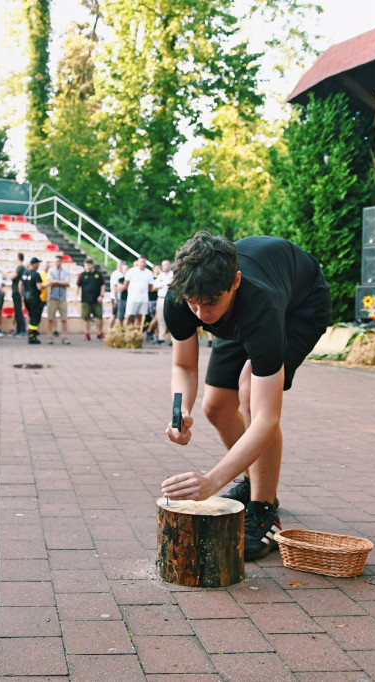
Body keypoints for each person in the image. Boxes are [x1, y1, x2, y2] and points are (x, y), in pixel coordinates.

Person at [160, 232, 332, 561]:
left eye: (210, 303)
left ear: (235, 282)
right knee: (215, 407)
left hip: (300, 305)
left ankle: (264, 508)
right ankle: (252, 478)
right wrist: (179, 407)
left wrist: (212, 481)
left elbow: (268, 418)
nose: (200, 314)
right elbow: (184, 365)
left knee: (250, 392)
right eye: (194, 303)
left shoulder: (261, 305)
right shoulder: (184, 297)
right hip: (240, 315)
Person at [76, 257, 106, 340]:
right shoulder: (82, 275)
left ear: (93, 265)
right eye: (86, 265)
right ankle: (87, 333)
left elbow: (103, 285)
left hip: (97, 300)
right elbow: (77, 286)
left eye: (89, 265)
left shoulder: (98, 274)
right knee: (86, 318)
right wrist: (75, 297)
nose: (88, 267)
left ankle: (100, 333)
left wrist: (101, 295)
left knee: (99, 317)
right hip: (85, 300)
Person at [45, 255, 70, 344]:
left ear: (61, 262)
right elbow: (50, 282)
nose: (56, 263)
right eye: (55, 261)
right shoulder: (51, 271)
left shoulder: (66, 271)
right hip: (52, 298)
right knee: (50, 318)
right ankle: (50, 337)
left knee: (64, 319)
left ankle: (64, 337)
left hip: (62, 298)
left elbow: (67, 283)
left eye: (58, 261)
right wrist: (61, 282)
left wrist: (56, 282)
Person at [123, 257, 154, 329]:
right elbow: (126, 284)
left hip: (144, 299)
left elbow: (150, 287)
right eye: (141, 262)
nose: (142, 264)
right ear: (138, 262)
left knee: (140, 317)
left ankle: (136, 334)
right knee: (128, 316)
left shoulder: (149, 273)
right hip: (132, 298)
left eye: (144, 262)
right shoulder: (131, 271)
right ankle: (125, 332)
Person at [19, 257, 45, 344]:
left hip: (27, 298)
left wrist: (22, 296)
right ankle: (32, 336)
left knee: (31, 317)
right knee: (35, 318)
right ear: (35, 264)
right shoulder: (36, 274)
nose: (39, 265)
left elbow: (20, 285)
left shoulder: (24, 273)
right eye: (38, 263)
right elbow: (39, 287)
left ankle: (32, 334)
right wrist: (48, 284)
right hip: (34, 299)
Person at [154, 259, 174, 345]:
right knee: (160, 318)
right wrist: (165, 283)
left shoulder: (173, 274)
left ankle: (173, 339)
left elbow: (173, 285)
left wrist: (163, 283)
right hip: (161, 298)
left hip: (170, 299)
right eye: (163, 265)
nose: (164, 267)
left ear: (170, 265)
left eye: (166, 265)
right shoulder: (161, 275)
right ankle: (161, 337)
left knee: (173, 319)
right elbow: (155, 285)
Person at [10, 252, 27, 337]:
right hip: (16, 291)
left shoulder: (20, 267)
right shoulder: (20, 267)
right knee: (17, 311)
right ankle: (18, 330)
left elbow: (13, 276)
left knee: (19, 311)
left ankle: (22, 330)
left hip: (17, 291)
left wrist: (6, 275)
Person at [109, 261, 125, 329]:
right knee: (115, 315)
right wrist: (115, 299)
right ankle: (110, 329)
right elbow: (114, 287)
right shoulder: (116, 274)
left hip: (119, 297)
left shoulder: (120, 274)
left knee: (116, 315)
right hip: (116, 297)